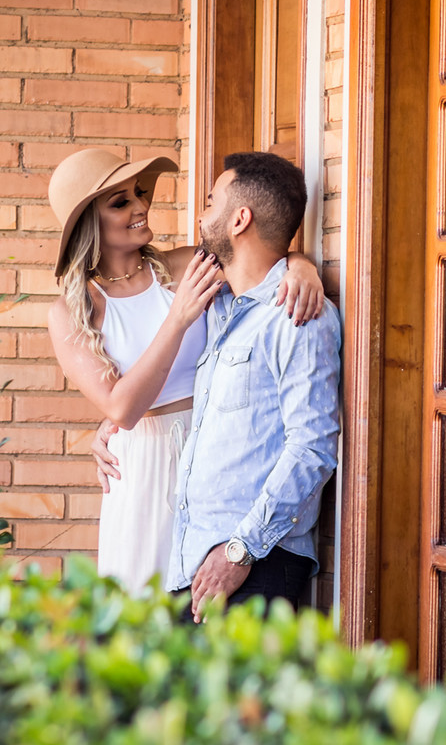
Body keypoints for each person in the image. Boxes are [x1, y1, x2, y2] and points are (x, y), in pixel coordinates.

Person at [47, 148, 325, 593]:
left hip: (213, 451)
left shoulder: (181, 266)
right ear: (88, 225)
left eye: (139, 194)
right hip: (141, 466)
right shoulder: (72, 311)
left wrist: (303, 267)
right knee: (145, 614)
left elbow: (256, 250)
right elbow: (122, 407)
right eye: (120, 203)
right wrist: (176, 318)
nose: (140, 207)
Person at [160, 151, 340, 621]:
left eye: (209, 201)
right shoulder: (219, 304)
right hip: (195, 562)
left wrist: (240, 550)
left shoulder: (297, 315)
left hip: (252, 566)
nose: (201, 215)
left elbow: (313, 448)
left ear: (240, 219)